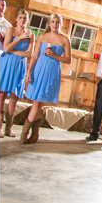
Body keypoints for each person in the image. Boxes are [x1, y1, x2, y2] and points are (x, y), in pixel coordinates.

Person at [22, 13, 71, 144]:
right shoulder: (42, 37)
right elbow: (34, 56)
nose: (55, 25)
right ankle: (32, 134)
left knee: (38, 102)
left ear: (60, 24)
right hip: (39, 69)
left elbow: (68, 60)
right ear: (49, 23)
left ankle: (25, 133)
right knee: (37, 102)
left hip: (52, 70)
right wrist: (29, 71)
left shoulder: (65, 39)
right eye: (53, 22)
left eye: (57, 22)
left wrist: (55, 55)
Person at [0, 9, 33, 138]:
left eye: (25, 18)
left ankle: (9, 127)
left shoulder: (31, 35)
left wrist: (13, 51)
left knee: (14, 97)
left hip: (20, 66)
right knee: (1, 95)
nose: (23, 20)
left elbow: (29, 54)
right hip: (6, 64)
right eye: (20, 17)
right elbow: (6, 48)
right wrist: (19, 38)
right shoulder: (10, 31)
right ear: (16, 19)